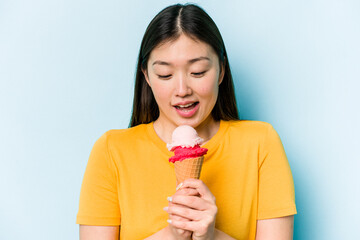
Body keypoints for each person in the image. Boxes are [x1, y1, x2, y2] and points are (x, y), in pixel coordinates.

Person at [76, 3, 297, 240]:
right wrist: (171, 235)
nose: (182, 90)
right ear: (146, 76)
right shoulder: (112, 151)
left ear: (221, 70)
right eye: (165, 75)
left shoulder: (260, 143)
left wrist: (211, 236)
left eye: (198, 72)